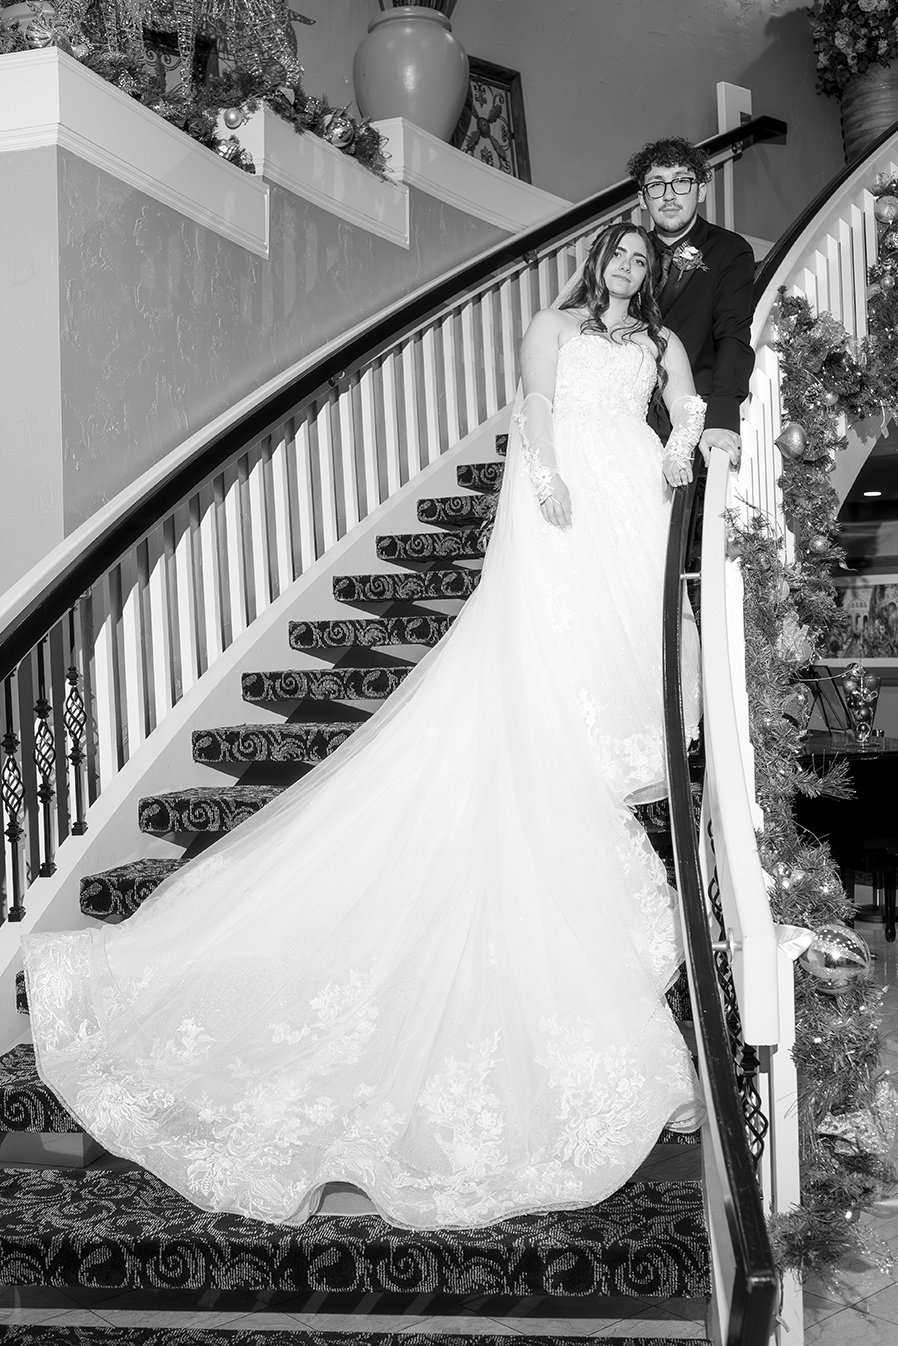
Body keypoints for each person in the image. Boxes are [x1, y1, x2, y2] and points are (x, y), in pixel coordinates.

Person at [22, 223, 704, 1234]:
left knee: (634, 632)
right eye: (619, 255)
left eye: (644, 262)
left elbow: (685, 403)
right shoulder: (551, 324)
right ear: (594, 257)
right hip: (570, 493)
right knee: (563, 646)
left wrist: (689, 441)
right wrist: (545, 473)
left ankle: (607, 745)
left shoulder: (653, 342)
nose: (629, 271)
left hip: (635, 489)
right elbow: (532, 410)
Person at [626, 136, 756, 468]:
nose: (669, 195)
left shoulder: (730, 250)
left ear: (700, 191)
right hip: (627, 419)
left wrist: (722, 417)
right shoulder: (627, 255)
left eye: (681, 182)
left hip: (693, 421)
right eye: (656, 185)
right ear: (643, 198)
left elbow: (733, 337)